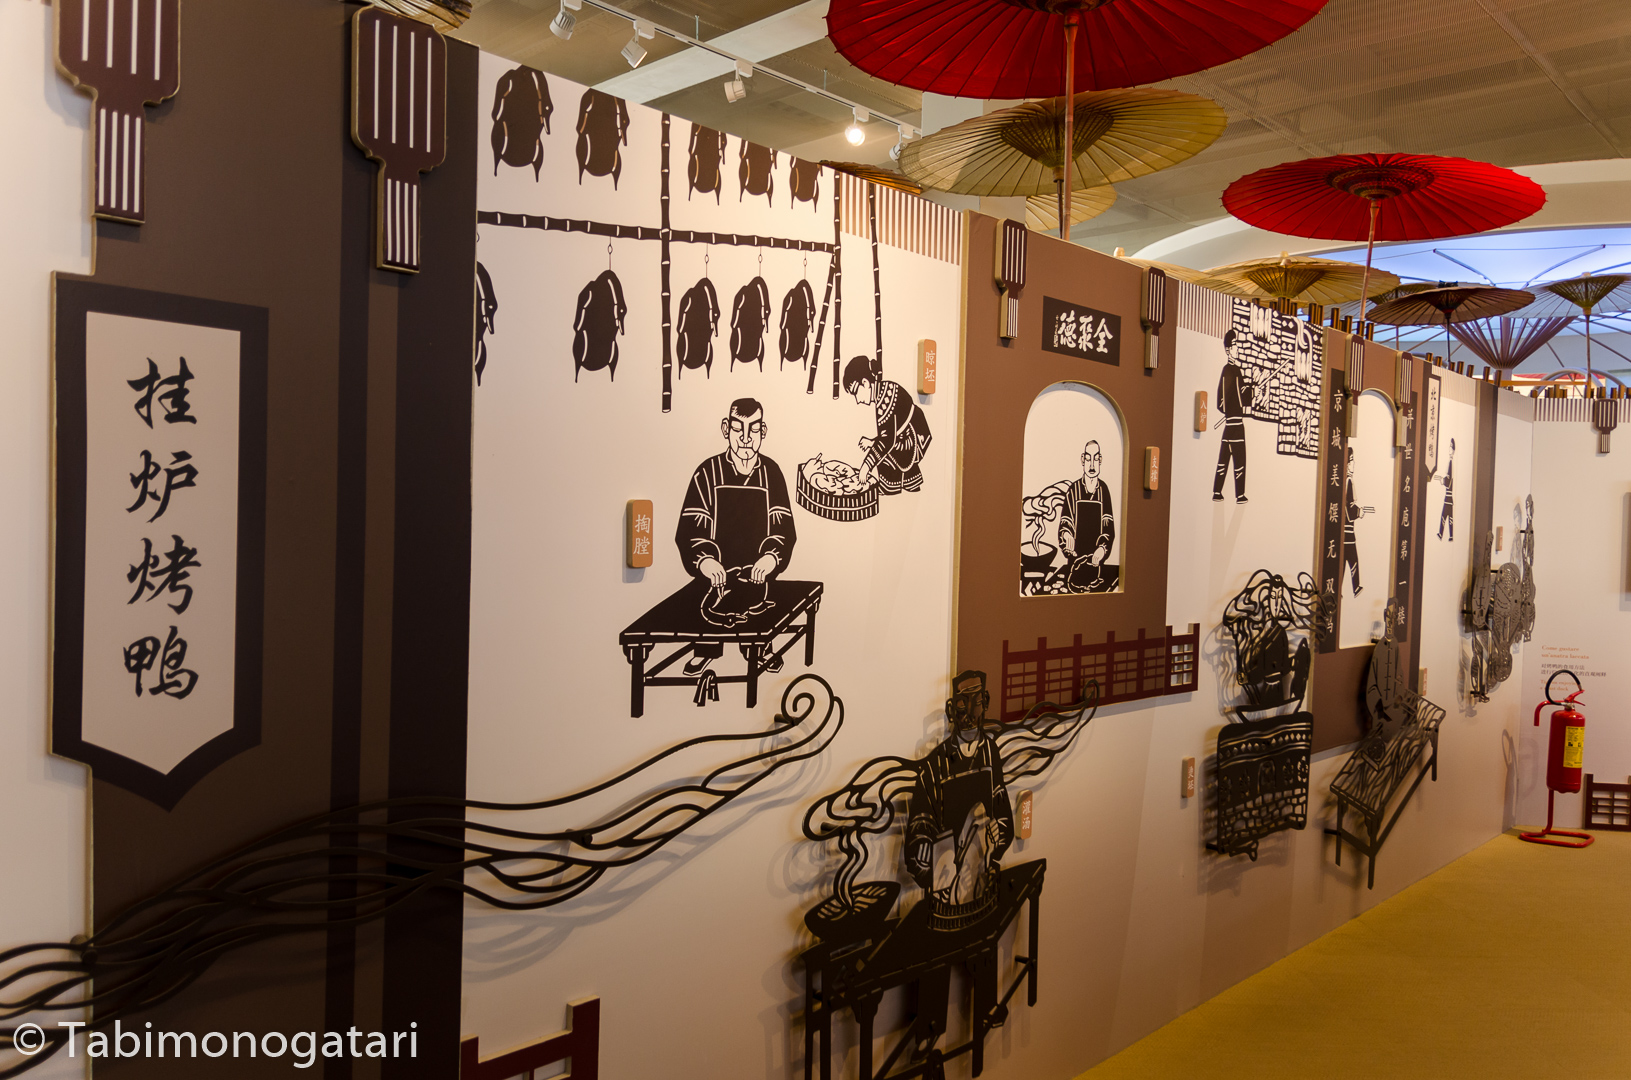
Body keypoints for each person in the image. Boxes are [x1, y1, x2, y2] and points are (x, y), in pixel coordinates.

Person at [675, 398, 796, 675]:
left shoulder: (772, 473)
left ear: (763, 431)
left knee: (758, 612)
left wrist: (771, 557)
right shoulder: (707, 472)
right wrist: (705, 560)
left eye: (753, 429)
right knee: (708, 610)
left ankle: (761, 648)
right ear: (725, 429)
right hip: (715, 574)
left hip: (756, 573)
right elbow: (691, 527)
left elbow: (783, 527)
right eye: (738, 428)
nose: (745, 438)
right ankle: (705, 650)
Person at [904, 671, 1014, 923]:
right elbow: (921, 822)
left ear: (986, 701)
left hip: (984, 881)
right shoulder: (934, 764)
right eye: (963, 705)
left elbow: (1002, 810)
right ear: (951, 710)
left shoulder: (990, 752)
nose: (970, 714)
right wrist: (923, 847)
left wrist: (999, 830)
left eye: (977, 702)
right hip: (946, 888)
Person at [842, 355, 932, 495]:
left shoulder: (885, 399)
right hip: (906, 436)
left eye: (856, 393)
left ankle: (890, 489)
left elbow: (887, 441)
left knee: (883, 457)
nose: (857, 400)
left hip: (914, 437)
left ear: (865, 383)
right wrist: (873, 442)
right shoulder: (883, 392)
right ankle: (905, 487)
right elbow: (889, 432)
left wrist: (866, 466)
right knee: (882, 451)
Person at [1057, 440, 1116, 593]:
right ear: (1083, 460)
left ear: (1100, 460)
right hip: (1074, 563)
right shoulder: (1073, 489)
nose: (1091, 465)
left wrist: (1102, 548)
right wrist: (1067, 535)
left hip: (1096, 564)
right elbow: (1065, 521)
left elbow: (1108, 527)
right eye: (1088, 459)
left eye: (1095, 459)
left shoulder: (1104, 490)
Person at [1213, 329, 1249, 503]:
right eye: (1235, 345)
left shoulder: (1228, 370)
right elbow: (1240, 397)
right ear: (1228, 350)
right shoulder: (1233, 370)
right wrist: (1252, 392)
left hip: (1229, 425)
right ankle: (1239, 495)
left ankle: (1217, 492)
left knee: (1224, 460)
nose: (1237, 348)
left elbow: (1222, 401)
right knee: (1239, 460)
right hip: (1236, 425)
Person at [1343, 446, 1362, 596]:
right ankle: (1356, 588)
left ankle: (1339, 590)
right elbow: (1349, 508)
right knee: (1353, 560)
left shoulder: (1344, 481)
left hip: (1344, 531)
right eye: (1351, 460)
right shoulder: (1348, 481)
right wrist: (1359, 512)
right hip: (1348, 531)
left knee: (1343, 562)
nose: (1353, 464)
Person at [1437, 438, 1455, 541]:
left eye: (1451, 447)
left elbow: (1449, 480)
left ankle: (1443, 534)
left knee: (1446, 517)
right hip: (1449, 498)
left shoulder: (1451, 463)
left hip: (1448, 497)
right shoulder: (1450, 462)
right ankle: (1448, 535)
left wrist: (1442, 480)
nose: (1449, 449)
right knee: (1448, 517)